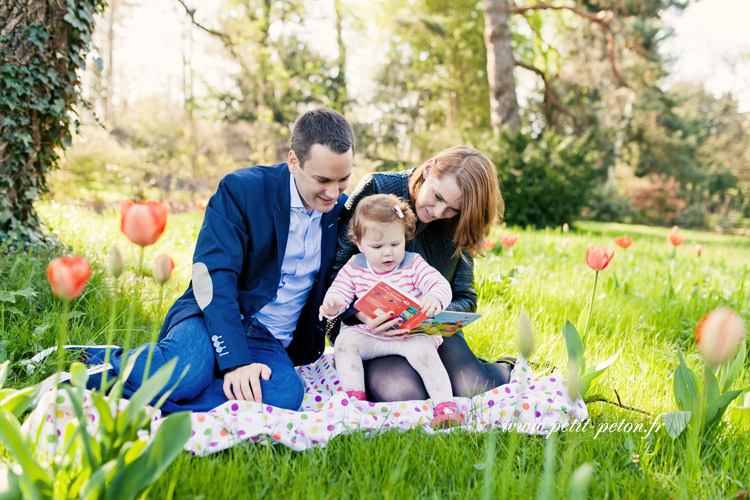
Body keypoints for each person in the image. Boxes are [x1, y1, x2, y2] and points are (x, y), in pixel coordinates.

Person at [85, 109, 354, 413]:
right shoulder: (242, 190)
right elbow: (210, 275)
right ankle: (92, 368)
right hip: (212, 315)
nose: (334, 192)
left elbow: (349, 278)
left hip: (269, 340)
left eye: (343, 179)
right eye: (323, 179)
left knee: (283, 395)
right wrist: (236, 362)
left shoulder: (342, 211)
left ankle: (149, 399)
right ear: (293, 161)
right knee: (186, 373)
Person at [327, 145, 511, 402]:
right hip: (373, 332)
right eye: (437, 196)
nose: (438, 212)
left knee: (473, 387)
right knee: (403, 393)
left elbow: (465, 298)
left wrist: (431, 312)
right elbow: (336, 273)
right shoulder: (377, 187)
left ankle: (504, 366)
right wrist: (360, 315)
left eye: (452, 209)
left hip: (431, 333)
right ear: (428, 169)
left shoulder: (459, 223)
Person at [319, 194, 462, 428]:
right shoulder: (355, 267)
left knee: (425, 352)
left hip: (410, 335)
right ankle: (355, 401)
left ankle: (445, 406)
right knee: (344, 342)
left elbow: (440, 285)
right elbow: (340, 292)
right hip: (370, 334)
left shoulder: (412, 264)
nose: (388, 253)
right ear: (359, 244)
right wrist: (333, 303)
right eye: (377, 246)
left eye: (395, 244)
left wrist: (433, 297)